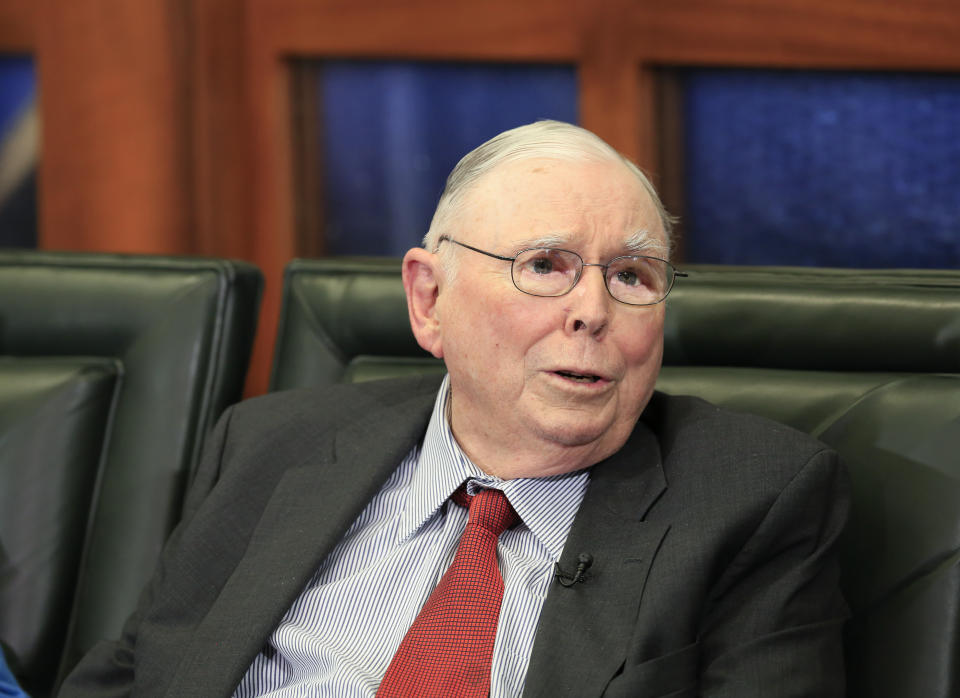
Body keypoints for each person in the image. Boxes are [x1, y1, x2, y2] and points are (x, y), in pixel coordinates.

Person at [60, 120, 848, 697]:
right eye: (546, 265)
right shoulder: (269, 445)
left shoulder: (753, 499)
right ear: (429, 300)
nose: (592, 311)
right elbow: (135, 678)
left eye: (635, 277)